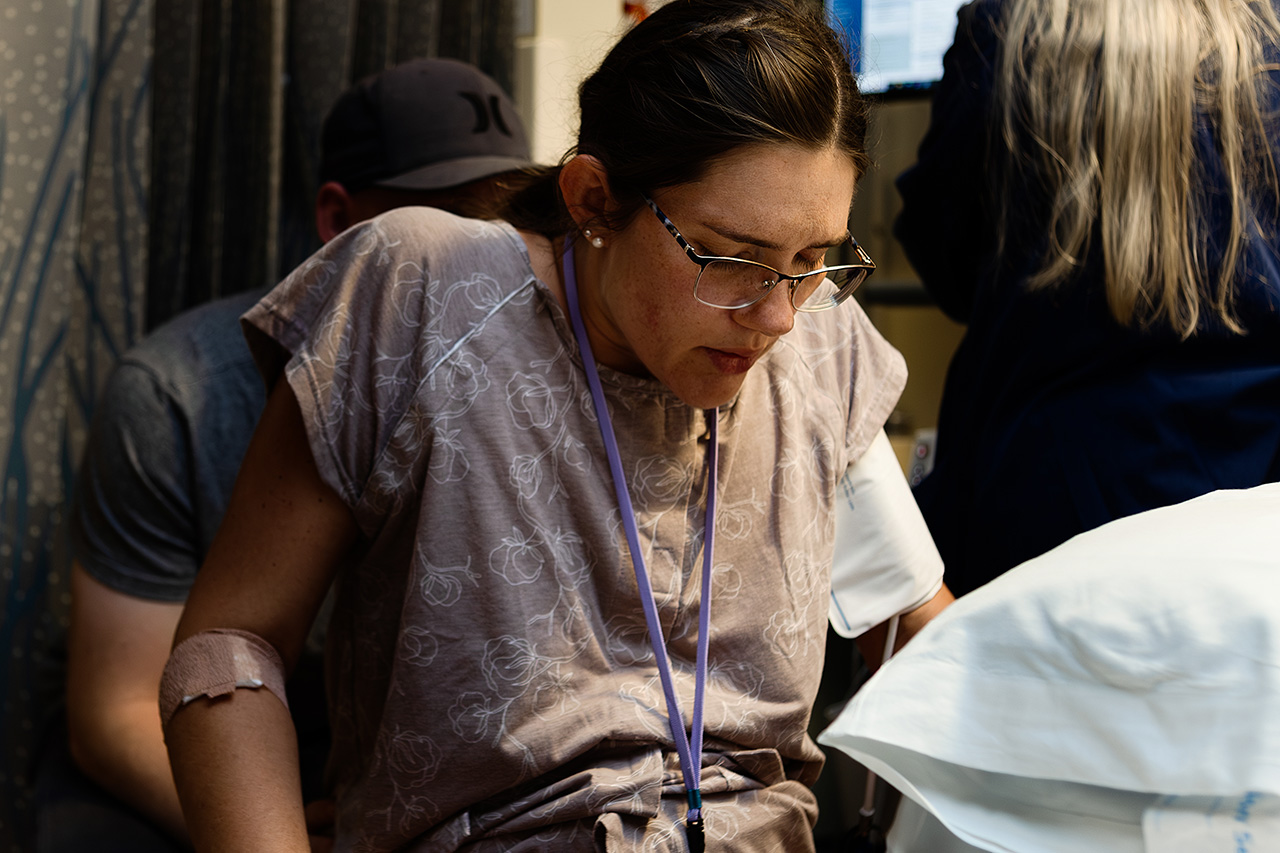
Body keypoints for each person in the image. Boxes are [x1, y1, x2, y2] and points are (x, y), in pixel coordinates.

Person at [162, 2, 952, 850]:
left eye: (811, 261)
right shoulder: (421, 297)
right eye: (731, 259)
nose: (776, 318)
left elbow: (917, 629)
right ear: (594, 200)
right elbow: (229, 645)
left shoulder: (821, 344)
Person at [36, 57, 532, 852]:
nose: (471, 254)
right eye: (438, 219)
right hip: (211, 743)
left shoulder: (530, 386)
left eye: (501, 222)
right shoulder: (175, 396)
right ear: (340, 219)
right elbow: (114, 711)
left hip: (399, 759)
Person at [898, 0, 1280, 597]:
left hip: (1043, 503)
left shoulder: (1006, 30)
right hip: (1249, 502)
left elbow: (943, 252)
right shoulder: (1269, 35)